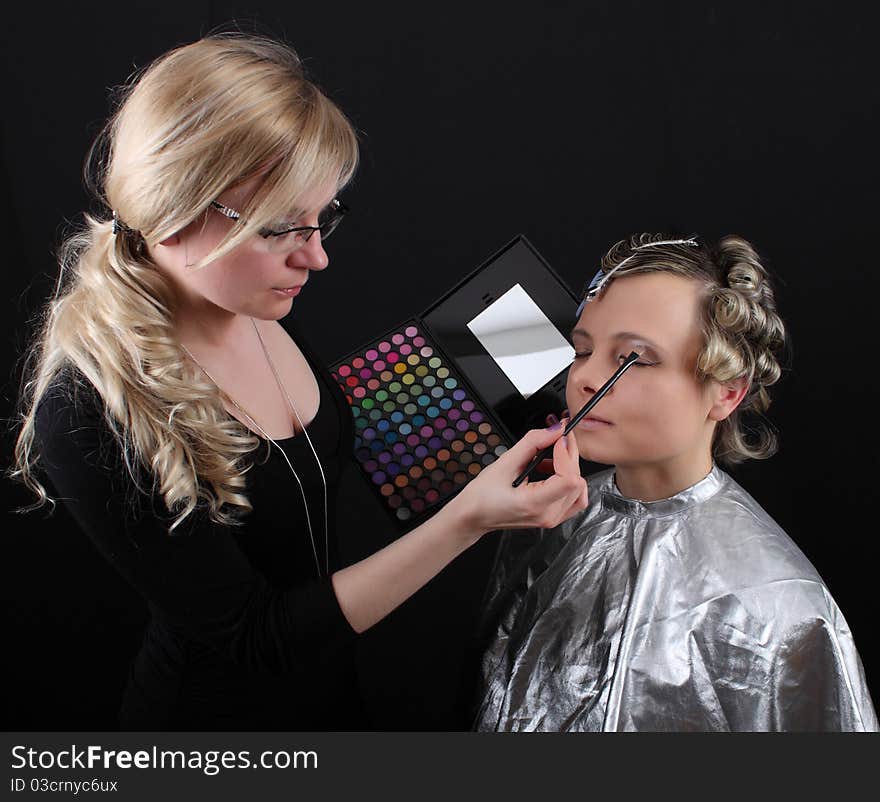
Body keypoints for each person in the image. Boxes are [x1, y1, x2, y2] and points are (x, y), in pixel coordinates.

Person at [8, 33, 589, 730]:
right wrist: (469, 518)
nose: (316, 257)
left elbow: (316, 454)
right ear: (174, 210)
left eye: (324, 219)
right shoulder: (85, 411)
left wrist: (503, 380)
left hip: (337, 699)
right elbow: (260, 638)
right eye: (282, 229)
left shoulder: (250, 300)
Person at [474, 234, 878, 732]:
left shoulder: (781, 606)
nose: (584, 379)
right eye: (581, 351)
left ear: (727, 392)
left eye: (635, 359)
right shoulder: (543, 519)